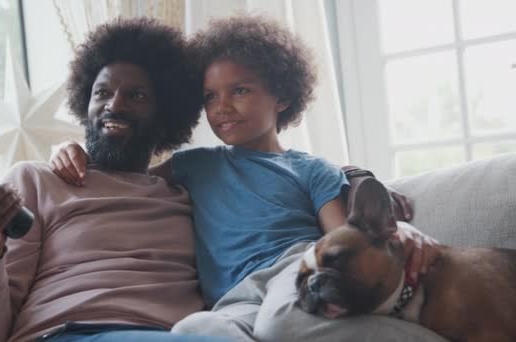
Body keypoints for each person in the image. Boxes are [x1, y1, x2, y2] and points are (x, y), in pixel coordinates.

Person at [51, 15, 443, 342]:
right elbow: (124, 177)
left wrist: (370, 195)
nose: (222, 108)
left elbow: (345, 241)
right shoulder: (194, 165)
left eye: (239, 90)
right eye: (210, 96)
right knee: (192, 331)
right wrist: (71, 150)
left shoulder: (313, 169)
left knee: (280, 323)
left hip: (296, 272)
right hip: (233, 300)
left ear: (282, 98)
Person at [0, 17, 234, 342]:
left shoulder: (187, 194)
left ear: (164, 116)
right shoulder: (37, 181)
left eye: (136, 96)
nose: (114, 104)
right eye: (102, 92)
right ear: (86, 102)